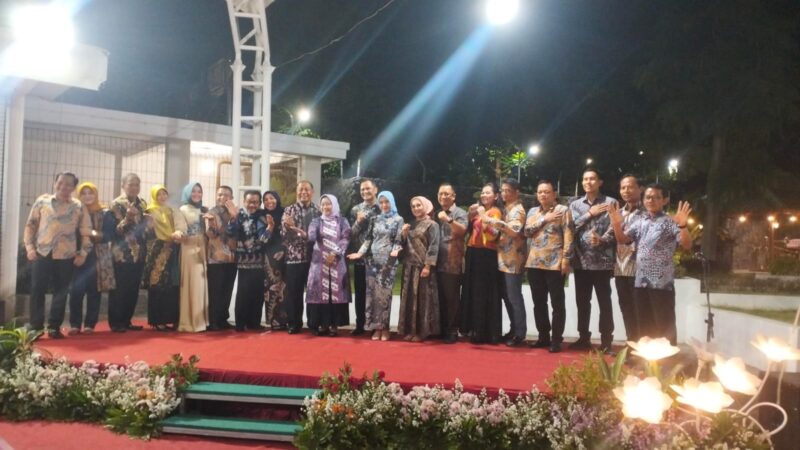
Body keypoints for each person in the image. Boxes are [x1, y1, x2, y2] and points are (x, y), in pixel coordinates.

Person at [609, 184, 692, 345]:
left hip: (661, 284)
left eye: (656, 197)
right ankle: (646, 358)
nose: (651, 200)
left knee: (664, 326)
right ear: (643, 200)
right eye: (648, 197)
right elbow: (623, 240)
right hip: (640, 282)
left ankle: (668, 359)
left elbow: (687, 245)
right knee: (644, 327)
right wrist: (616, 224)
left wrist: (682, 226)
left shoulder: (670, 221)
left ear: (664, 200)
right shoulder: (640, 221)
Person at [23, 172, 92, 338]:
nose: (63, 186)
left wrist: (83, 253)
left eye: (68, 184)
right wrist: (29, 248)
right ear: (55, 183)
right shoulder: (42, 201)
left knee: (61, 291)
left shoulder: (78, 206)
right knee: (37, 289)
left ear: (73, 187)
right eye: (60, 182)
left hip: (66, 255)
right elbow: (31, 225)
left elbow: (86, 231)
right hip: (42, 253)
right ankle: (35, 326)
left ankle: (54, 327)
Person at [568, 168, 618, 353]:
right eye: (585, 179)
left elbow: (616, 226)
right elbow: (571, 227)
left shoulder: (611, 202)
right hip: (581, 261)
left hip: (603, 261)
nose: (588, 182)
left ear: (600, 182)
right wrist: (590, 213)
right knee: (582, 302)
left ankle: (606, 341)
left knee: (605, 302)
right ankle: (583, 338)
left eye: (592, 179)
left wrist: (602, 240)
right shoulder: (574, 205)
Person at [524, 180, 574, 353]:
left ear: (554, 194)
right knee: (539, 302)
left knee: (557, 303)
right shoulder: (532, 211)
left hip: (555, 263)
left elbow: (569, 235)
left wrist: (566, 259)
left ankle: (556, 339)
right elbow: (526, 232)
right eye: (540, 192)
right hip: (534, 263)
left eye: (546, 191)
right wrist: (545, 219)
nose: (543, 195)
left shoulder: (563, 210)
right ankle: (543, 336)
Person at [347, 191, 403, 342]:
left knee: (384, 295)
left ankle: (385, 328)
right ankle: (375, 327)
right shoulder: (375, 219)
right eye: (381, 202)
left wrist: (395, 252)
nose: (384, 205)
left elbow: (398, 240)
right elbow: (368, 239)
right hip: (371, 263)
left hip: (388, 263)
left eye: (387, 202)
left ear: (392, 202)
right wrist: (360, 253)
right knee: (371, 295)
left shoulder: (398, 219)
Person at [68, 182, 117, 335]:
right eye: (83, 193)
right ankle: (75, 325)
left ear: (96, 194)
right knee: (76, 291)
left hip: (97, 255)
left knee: (94, 291)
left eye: (91, 193)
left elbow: (109, 235)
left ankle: (90, 324)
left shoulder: (105, 213)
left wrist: (92, 234)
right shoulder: (75, 211)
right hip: (77, 256)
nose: (87, 196)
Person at [602, 174, 645, 341]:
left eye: (630, 187)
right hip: (621, 268)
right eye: (623, 187)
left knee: (640, 309)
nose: (626, 190)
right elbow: (609, 236)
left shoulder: (647, 213)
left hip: (640, 269)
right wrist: (599, 239)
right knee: (626, 308)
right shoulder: (618, 212)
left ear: (640, 189)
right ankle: (631, 343)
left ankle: (643, 346)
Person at [460, 183, 503, 344]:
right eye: (483, 193)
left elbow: (493, 234)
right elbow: (468, 231)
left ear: (496, 196)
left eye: (488, 193)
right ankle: (472, 327)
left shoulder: (495, 212)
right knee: (471, 290)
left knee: (483, 292)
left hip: (486, 254)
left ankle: (484, 331)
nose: (484, 195)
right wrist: (470, 215)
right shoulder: (478, 211)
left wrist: (483, 215)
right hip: (473, 252)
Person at [489, 179, 528, 347]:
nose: (504, 194)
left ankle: (520, 333)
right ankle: (514, 329)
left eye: (508, 190)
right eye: (503, 190)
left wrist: (495, 223)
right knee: (507, 297)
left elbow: (514, 232)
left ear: (517, 192)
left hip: (514, 259)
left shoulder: (518, 210)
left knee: (514, 297)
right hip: (503, 258)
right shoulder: (506, 208)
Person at [228, 190, 274, 331]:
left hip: (259, 262)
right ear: (244, 201)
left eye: (255, 202)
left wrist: (270, 228)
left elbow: (263, 239)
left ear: (259, 203)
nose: (252, 205)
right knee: (243, 293)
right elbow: (231, 233)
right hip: (243, 261)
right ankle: (240, 323)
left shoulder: (262, 217)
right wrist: (233, 218)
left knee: (257, 293)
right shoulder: (239, 215)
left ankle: (254, 323)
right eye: (249, 202)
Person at [107, 173, 148, 332]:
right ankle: (116, 322)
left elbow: (142, 229)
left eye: (137, 185)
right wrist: (128, 218)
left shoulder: (142, 204)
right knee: (120, 289)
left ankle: (127, 320)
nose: (134, 188)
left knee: (133, 289)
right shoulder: (116, 204)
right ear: (123, 185)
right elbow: (116, 231)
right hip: (122, 254)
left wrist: (149, 224)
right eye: (131, 184)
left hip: (139, 253)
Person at [306, 194, 351, 337]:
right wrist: (304, 234)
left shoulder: (342, 221)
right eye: (323, 204)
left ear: (334, 205)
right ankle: (323, 324)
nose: (326, 207)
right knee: (321, 292)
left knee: (335, 292)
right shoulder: (316, 221)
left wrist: (335, 253)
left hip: (337, 261)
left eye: (329, 203)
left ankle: (334, 325)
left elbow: (346, 238)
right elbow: (311, 236)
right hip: (319, 262)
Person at [398, 196, 440, 342]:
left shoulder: (432, 224)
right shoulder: (410, 224)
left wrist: (428, 266)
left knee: (423, 300)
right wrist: (403, 235)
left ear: (426, 206)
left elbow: (434, 246)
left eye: (418, 205)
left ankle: (423, 331)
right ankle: (410, 330)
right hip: (409, 268)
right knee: (409, 299)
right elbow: (402, 246)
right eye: (413, 206)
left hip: (423, 268)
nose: (416, 208)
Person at [281, 181, 320, 334]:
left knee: (313, 293)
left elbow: (322, 234)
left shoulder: (318, 210)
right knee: (293, 293)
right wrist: (287, 227)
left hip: (314, 259)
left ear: (312, 192)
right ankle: (294, 323)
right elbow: (283, 235)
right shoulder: (289, 210)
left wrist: (305, 235)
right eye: (301, 189)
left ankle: (314, 324)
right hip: (294, 258)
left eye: (307, 189)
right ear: (296, 192)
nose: (304, 192)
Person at [141, 185, 180, 331]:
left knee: (168, 284)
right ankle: (156, 320)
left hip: (171, 247)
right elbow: (146, 232)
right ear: (154, 196)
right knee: (156, 283)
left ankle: (167, 318)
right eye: (159, 194)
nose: (162, 197)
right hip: (156, 249)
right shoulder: (149, 211)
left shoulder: (170, 210)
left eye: (164, 194)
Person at [173, 182, 209, 332]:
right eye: (193, 191)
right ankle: (190, 322)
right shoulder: (182, 210)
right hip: (189, 249)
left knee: (201, 284)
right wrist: (179, 234)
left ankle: (201, 321)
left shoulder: (204, 209)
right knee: (193, 284)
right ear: (187, 193)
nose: (197, 194)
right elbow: (180, 228)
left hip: (203, 249)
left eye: (199, 191)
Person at [435, 182, 468, 344]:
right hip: (436, 261)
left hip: (452, 261)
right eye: (440, 193)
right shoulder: (436, 213)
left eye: (446, 194)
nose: (443, 196)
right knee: (439, 296)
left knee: (452, 298)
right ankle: (440, 328)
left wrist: (448, 220)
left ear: (453, 196)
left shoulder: (460, 213)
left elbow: (462, 231)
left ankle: (452, 330)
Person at [347, 179, 381, 336]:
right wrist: (358, 222)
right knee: (360, 292)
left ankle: (376, 325)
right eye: (362, 189)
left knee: (376, 293)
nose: (365, 192)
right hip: (360, 259)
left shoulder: (383, 207)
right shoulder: (356, 209)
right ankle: (360, 324)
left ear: (375, 189)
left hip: (378, 259)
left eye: (368, 188)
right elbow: (350, 234)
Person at [205, 186, 237, 330]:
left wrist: (234, 216)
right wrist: (212, 224)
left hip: (232, 257)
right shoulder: (211, 212)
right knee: (215, 290)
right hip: (216, 258)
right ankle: (213, 320)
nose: (222, 197)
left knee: (227, 289)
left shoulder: (236, 211)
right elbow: (210, 234)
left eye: (225, 195)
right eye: (219, 195)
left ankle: (223, 319)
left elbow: (239, 232)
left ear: (231, 198)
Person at [263, 190, 288, 330]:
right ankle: (274, 321)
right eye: (265, 199)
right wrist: (270, 227)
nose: (269, 201)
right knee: (272, 289)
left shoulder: (286, 212)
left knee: (286, 288)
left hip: (287, 254)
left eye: (271, 198)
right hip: (270, 257)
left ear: (277, 199)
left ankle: (287, 319)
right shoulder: (262, 215)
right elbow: (262, 240)